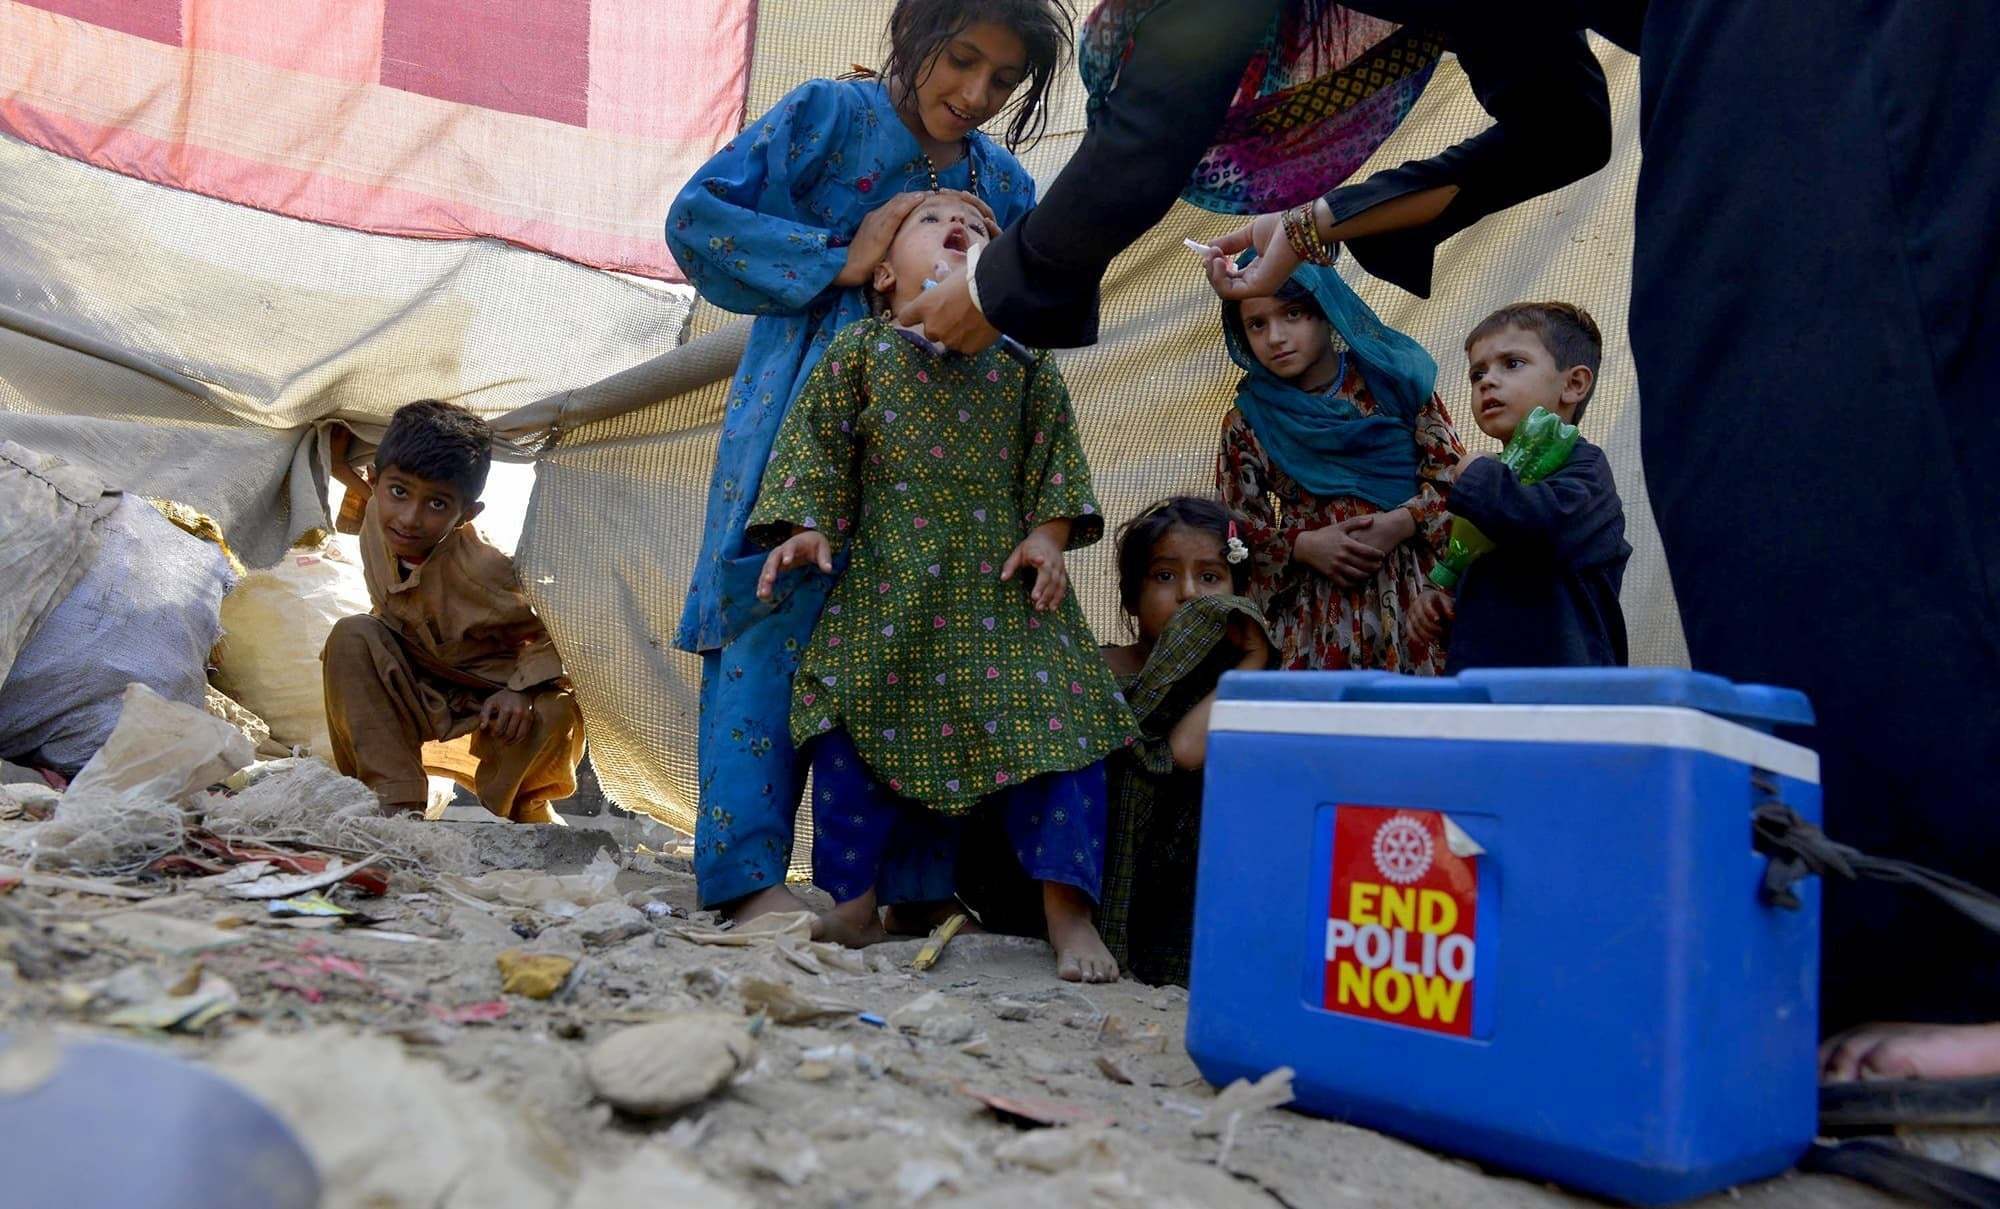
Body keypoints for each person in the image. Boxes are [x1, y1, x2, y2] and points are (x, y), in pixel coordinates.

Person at [663, 0, 1068, 921]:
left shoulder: (1002, 182)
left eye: (1003, 81)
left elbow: (1037, 315)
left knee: (921, 646)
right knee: (769, 620)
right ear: (914, 35)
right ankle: (748, 881)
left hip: (936, 465)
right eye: (960, 60)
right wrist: (843, 257)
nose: (976, 94)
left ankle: (906, 893)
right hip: (797, 427)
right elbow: (698, 219)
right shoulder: (828, 117)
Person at [749, 194, 1135, 982]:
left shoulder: (1026, 361)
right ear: (885, 275)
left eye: (984, 228)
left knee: (1062, 730)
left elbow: (1055, 459)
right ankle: (853, 901)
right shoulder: (858, 353)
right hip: (890, 595)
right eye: (934, 220)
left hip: (1008, 602)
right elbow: (816, 448)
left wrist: (1049, 537)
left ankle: (1070, 916)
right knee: (848, 723)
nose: (963, 226)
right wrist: (808, 525)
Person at [321, 401, 583, 823]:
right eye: (399, 491)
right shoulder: (376, 512)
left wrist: (522, 690)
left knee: (554, 711)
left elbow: (555, 635)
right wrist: (338, 463)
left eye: (437, 505)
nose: (409, 519)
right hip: (412, 681)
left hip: (489, 698)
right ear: (376, 480)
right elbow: (370, 493)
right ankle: (395, 805)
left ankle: (522, 810)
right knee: (352, 635)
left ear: (467, 514)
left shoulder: (487, 570)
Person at [1214, 262, 1462, 671]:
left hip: (1418, 604)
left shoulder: (1393, 384)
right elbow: (1233, 534)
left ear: (1326, 307)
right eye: (1257, 324)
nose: (1276, 337)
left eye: (1293, 313)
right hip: (1314, 622)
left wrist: (1404, 520)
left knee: (1423, 724)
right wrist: (1302, 546)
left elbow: (1460, 482)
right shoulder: (1248, 422)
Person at [1098, 497, 1271, 985]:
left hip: (1183, 886)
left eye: (1211, 577)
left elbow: (1184, 752)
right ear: (1132, 595)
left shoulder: (1227, 684)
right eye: (1164, 576)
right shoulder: (1099, 672)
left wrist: (1252, 664)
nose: (1190, 595)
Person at [1409, 303, 1628, 671]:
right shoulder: (1493, 476)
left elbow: (1543, 527)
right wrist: (1441, 598)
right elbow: (1483, 567)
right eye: (1477, 373)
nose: (1487, 381)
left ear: (1573, 384)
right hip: (1488, 685)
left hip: (1565, 689)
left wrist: (1480, 477)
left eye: (1512, 364)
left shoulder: (1584, 467)